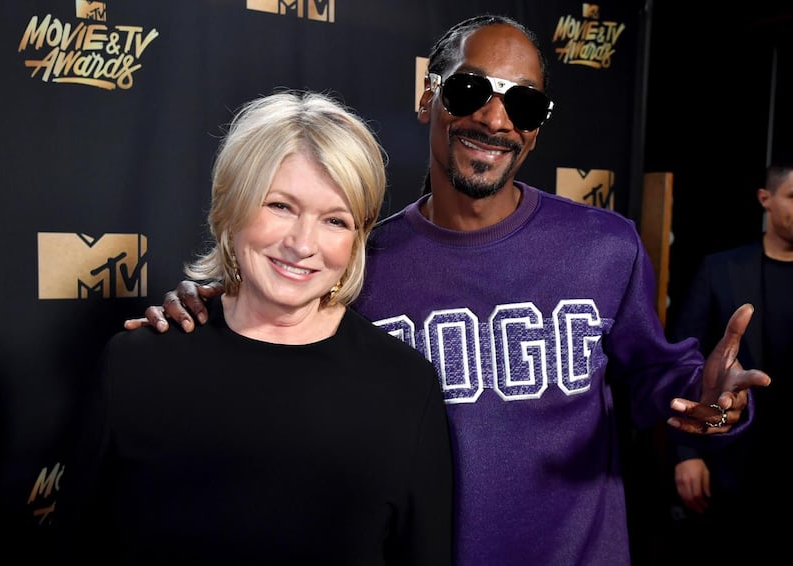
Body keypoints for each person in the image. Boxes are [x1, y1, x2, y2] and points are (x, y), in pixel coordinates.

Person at [126, 15, 770, 565]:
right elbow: (270, 338)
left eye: (522, 105)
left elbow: (656, 373)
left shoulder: (605, 245)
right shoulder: (356, 261)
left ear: (537, 127)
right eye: (471, 90)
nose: (495, 119)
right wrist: (203, 316)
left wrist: (709, 402)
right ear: (427, 96)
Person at [60, 90, 454, 565]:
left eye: (335, 219)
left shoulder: (406, 387)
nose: (302, 243)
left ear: (358, 238)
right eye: (280, 206)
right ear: (232, 206)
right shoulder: (135, 363)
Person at [664, 162, 793, 563]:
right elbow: (683, 361)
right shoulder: (721, 269)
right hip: (733, 461)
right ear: (765, 199)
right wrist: (687, 453)